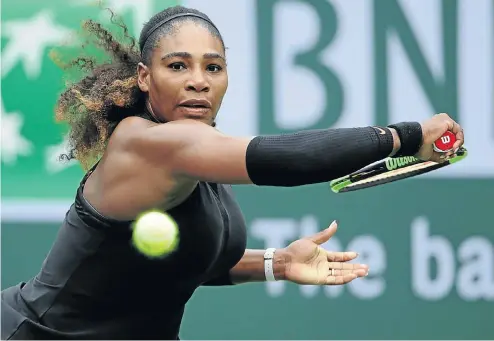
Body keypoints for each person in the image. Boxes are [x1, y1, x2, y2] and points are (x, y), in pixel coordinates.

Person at [1, 5, 464, 340]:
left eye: (213, 67)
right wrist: (405, 135)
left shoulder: (197, 158)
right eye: (177, 66)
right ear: (145, 77)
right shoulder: (147, 143)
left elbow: (174, 263)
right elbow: (289, 159)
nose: (198, 79)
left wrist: (277, 263)